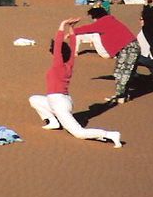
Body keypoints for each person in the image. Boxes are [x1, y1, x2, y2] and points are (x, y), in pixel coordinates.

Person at [28, 17, 122, 147]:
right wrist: (71, 29)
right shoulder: (69, 63)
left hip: (59, 103)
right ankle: (53, 122)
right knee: (34, 99)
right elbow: (72, 46)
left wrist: (62, 25)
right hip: (61, 100)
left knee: (79, 133)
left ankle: (110, 135)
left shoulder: (58, 65)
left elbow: (59, 47)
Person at [72, 7, 140, 103]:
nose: (93, 21)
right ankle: (123, 95)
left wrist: (71, 32)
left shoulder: (104, 22)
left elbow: (87, 29)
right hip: (127, 49)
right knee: (121, 72)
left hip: (129, 49)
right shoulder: (109, 20)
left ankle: (120, 97)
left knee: (121, 74)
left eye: (93, 18)